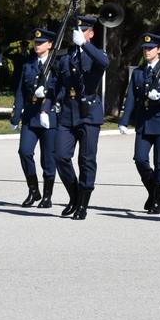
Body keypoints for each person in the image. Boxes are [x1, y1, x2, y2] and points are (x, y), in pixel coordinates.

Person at [53, 15, 110, 220]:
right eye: (75, 31)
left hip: (89, 114)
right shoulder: (66, 58)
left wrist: (84, 44)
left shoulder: (95, 54)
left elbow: (104, 62)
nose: (77, 34)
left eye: (83, 30)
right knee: (60, 156)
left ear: (91, 33)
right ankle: (74, 196)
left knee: (86, 160)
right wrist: (48, 101)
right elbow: (61, 85)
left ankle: (83, 204)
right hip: (68, 113)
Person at [119, 33, 160, 215]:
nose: (146, 51)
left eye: (150, 48)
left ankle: (157, 201)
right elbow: (131, 98)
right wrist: (123, 121)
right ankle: (152, 190)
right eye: (145, 48)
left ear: (159, 50)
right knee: (140, 159)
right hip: (144, 122)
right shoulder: (139, 72)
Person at [10, 27, 58, 208]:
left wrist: (47, 95)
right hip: (31, 116)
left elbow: (59, 90)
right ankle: (33, 190)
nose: (37, 45)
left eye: (41, 42)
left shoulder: (55, 66)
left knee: (48, 158)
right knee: (24, 152)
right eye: (36, 42)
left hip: (49, 117)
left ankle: (47, 195)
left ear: (50, 45)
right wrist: (15, 117)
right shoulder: (28, 66)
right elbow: (21, 93)